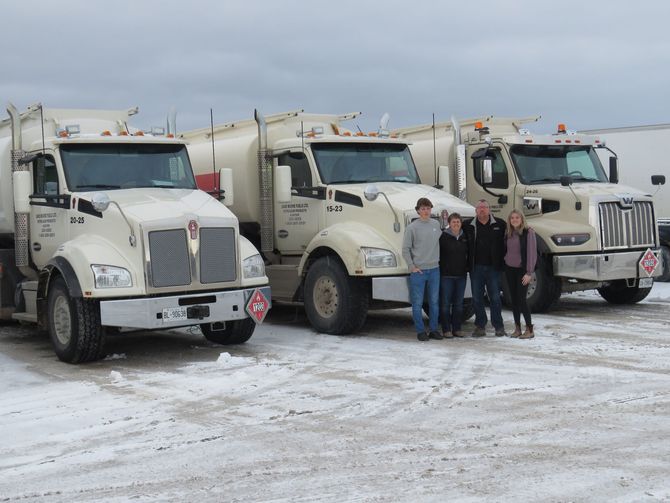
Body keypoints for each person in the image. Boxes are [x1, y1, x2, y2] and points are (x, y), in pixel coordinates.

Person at [402, 197, 442, 341]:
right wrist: (412, 267)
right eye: (423, 209)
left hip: (434, 270)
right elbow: (405, 249)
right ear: (418, 210)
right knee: (417, 303)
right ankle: (420, 331)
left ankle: (434, 330)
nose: (425, 211)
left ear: (431, 209)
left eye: (428, 208)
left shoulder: (436, 224)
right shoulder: (412, 228)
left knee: (434, 302)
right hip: (418, 272)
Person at [465, 199, 506, 337]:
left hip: (493, 268)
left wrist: (527, 229)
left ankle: (499, 326)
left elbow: (514, 231)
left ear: (489, 209)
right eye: (479, 207)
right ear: (476, 210)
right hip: (476, 268)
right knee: (477, 298)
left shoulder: (500, 224)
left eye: (485, 207)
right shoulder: (468, 225)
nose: (482, 210)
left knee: (495, 297)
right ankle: (480, 326)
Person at [504, 209, 537, 339]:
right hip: (510, 269)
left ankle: (529, 329)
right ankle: (517, 328)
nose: (515, 220)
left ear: (522, 219)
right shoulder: (508, 233)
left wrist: (529, 273)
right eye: (512, 218)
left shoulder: (528, 232)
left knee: (522, 300)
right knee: (514, 300)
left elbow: (532, 254)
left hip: (522, 271)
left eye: (517, 217)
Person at [439, 212, 470, 338]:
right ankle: (446, 329)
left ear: (461, 223)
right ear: (449, 223)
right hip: (446, 276)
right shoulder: (443, 237)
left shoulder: (465, 237)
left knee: (458, 304)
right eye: (453, 222)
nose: (456, 224)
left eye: (458, 222)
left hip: (461, 276)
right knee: (445, 304)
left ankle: (457, 328)